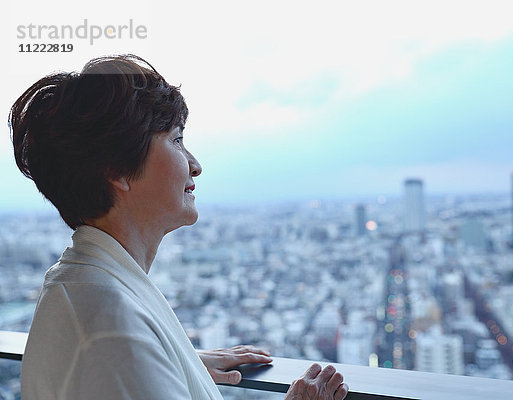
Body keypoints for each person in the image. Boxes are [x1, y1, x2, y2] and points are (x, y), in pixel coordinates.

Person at [9, 54, 349, 400]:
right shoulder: (112, 332)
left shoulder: (82, 287)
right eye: (176, 140)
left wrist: (177, 360)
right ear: (117, 170)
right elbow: (113, 352)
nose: (195, 165)